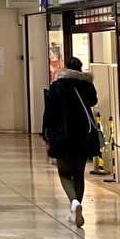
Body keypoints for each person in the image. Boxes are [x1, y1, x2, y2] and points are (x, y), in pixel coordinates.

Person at [42, 56, 100, 228]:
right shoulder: (87, 85)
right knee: (79, 173)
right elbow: (93, 101)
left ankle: (74, 202)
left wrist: (46, 134)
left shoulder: (57, 86)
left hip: (62, 136)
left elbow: (49, 113)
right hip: (83, 135)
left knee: (64, 173)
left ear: (65, 68)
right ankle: (75, 207)